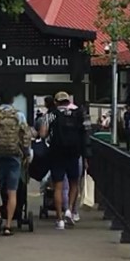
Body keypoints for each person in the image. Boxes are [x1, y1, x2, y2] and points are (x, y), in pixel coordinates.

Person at [41, 90, 90, 229]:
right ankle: (69, 209)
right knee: (74, 184)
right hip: (74, 153)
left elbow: (43, 133)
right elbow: (86, 134)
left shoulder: (51, 114)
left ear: (56, 102)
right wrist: (86, 156)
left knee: (58, 186)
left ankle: (59, 219)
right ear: (69, 101)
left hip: (56, 153)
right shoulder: (78, 114)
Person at [0, 92, 32, 235]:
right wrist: (26, 153)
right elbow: (26, 137)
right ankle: (8, 225)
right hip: (14, 156)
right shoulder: (19, 116)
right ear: (13, 100)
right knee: (12, 191)